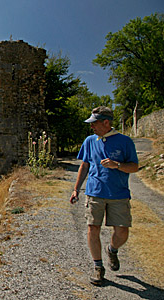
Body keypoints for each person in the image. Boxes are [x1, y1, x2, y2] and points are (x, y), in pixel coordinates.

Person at [69, 106, 139, 286]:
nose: (91, 127)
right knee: (93, 228)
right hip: (94, 193)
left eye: (94, 123)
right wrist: (76, 189)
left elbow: (134, 167)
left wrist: (117, 165)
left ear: (106, 123)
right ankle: (98, 267)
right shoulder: (90, 141)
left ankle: (112, 249)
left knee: (122, 231)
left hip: (118, 193)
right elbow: (84, 166)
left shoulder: (125, 142)